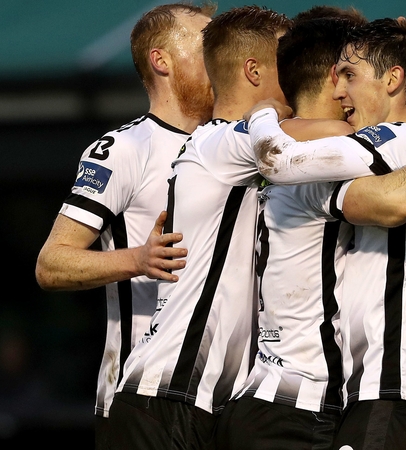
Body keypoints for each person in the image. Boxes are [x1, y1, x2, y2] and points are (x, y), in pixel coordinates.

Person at [214, 11, 406, 450]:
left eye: (350, 75)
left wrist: (262, 115)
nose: (340, 91)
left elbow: (280, 162)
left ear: (392, 79)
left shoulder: (396, 140)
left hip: (395, 393)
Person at [105, 7, 292, 449]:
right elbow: (49, 263)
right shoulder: (215, 142)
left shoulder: (230, 139)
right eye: (290, 61)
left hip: (221, 400)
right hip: (164, 392)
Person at [34, 3, 215, 448]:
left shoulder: (240, 143)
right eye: (207, 46)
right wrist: (138, 258)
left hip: (228, 398)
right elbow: (51, 264)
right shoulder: (125, 148)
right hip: (142, 399)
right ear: (162, 60)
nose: (221, 58)